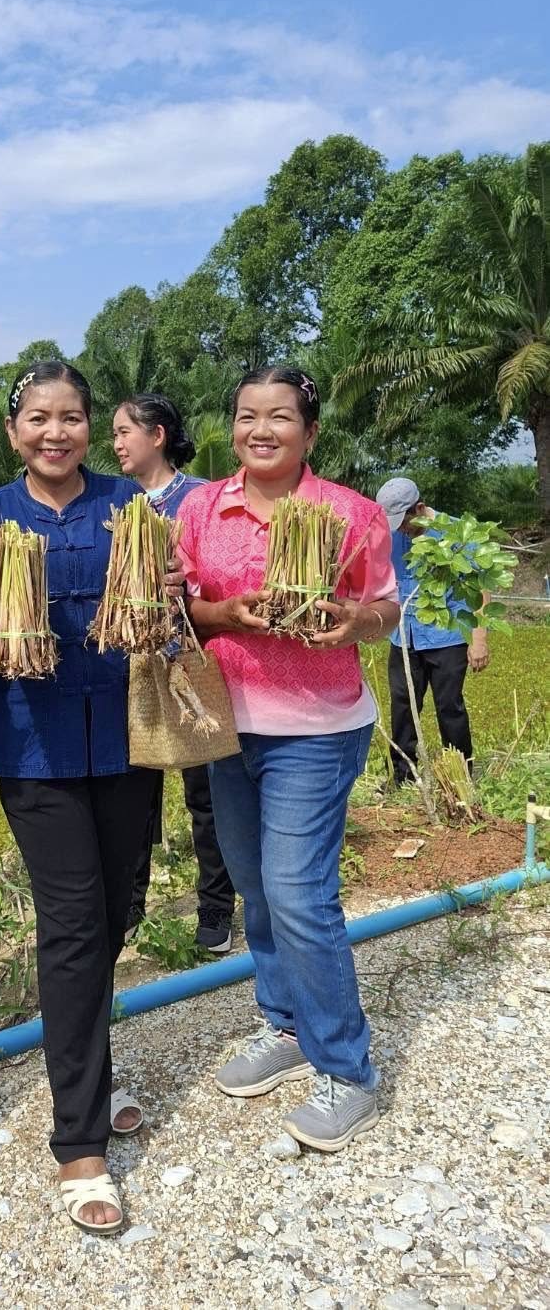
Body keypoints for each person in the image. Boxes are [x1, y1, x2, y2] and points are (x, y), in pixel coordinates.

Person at [177, 366, 399, 1152]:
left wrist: (352, 622)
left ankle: (349, 1067)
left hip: (317, 724)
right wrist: (220, 612)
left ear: (310, 430)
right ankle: (286, 1023)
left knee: (299, 891)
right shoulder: (202, 507)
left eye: (278, 416)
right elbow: (186, 607)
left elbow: (385, 607)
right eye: (246, 415)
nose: (259, 430)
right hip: (226, 722)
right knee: (254, 886)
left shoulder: (352, 513)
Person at [0, 361, 159, 1236]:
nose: (56, 432)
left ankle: (91, 1064)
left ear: (93, 426)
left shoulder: (131, 503)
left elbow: (166, 599)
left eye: (72, 417)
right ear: (14, 432)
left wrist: (166, 594)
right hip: (35, 745)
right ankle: (79, 1141)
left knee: (120, 906)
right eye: (38, 418)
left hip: (127, 734)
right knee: (75, 922)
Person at [112, 394, 236, 953]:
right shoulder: (112, 502)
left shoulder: (200, 500)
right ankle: (130, 905)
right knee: (134, 792)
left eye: (123, 432)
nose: (115, 444)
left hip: (189, 660)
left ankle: (216, 907)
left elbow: (217, 581)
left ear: (157, 435)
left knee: (205, 795)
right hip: (129, 662)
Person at [375, 476, 489, 786]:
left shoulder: (456, 533)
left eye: (404, 521)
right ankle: (402, 776)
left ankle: (460, 777)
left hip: (447, 636)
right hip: (403, 634)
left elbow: (479, 587)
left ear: (420, 508)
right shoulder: (390, 534)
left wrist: (478, 639)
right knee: (402, 705)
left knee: (449, 706)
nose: (401, 529)